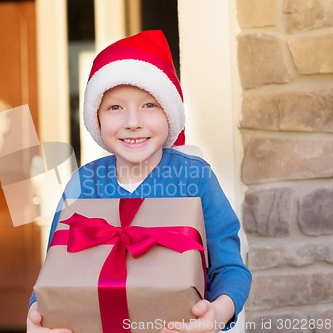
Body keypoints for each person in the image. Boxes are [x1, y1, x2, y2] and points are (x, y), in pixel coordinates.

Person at [27, 30, 251, 333]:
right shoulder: (84, 182)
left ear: (170, 114)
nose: (132, 121)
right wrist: (36, 315)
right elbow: (56, 269)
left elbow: (231, 269)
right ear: (97, 118)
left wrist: (217, 313)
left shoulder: (194, 177)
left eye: (149, 105)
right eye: (115, 107)